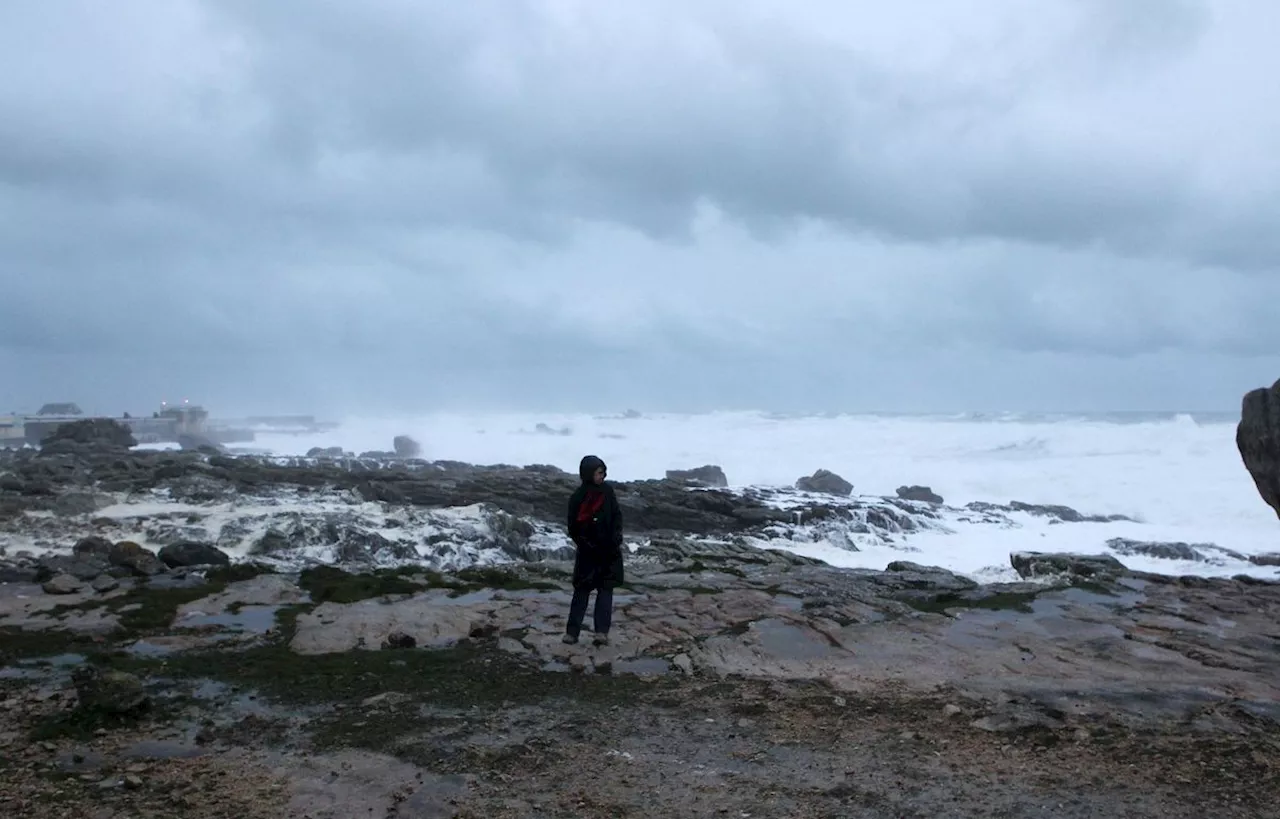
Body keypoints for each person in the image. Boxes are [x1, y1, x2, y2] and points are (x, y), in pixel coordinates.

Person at [563, 454, 624, 646]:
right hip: (588, 553)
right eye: (598, 473)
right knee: (581, 592)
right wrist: (584, 543)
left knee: (605, 592)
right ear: (588, 474)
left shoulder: (607, 492)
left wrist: (615, 540)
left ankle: (601, 633)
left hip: (608, 552)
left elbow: (616, 517)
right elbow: (573, 526)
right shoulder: (578, 497)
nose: (602, 476)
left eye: (603, 472)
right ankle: (572, 632)